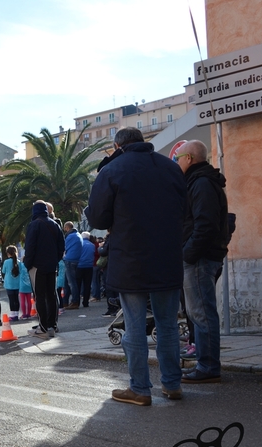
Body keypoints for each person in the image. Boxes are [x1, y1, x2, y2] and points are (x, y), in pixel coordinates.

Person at [86, 127, 186, 406]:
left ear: (118, 145)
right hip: (166, 257)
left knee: (134, 324)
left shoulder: (113, 170)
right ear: (143, 142)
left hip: (131, 258)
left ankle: (140, 388)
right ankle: (172, 384)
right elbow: (184, 209)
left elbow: (98, 218)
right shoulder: (170, 167)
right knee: (167, 324)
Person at [174, 139, 229, 384]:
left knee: (202, 314)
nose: (176, 163)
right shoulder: (201, 181)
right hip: (201, 255)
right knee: (200, 313)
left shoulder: (202, 183)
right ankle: (207, 365)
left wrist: (188, 254)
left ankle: (208, 367)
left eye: (177, 159)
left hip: (199, 258)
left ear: (189, 158)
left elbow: (205, 225)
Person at [23, 200, 65, 338]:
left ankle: (43, 328)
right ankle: (52, 325)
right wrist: (55, 259)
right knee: (52, 295)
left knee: (39, 296)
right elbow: (61, 246)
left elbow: (30, 247)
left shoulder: (34, 224)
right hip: (51, 265)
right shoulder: (55, 224)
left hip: (37, 266)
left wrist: (28, 264)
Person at [62, 221, 82, 309]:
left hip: (69, 260)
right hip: (76, 260)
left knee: (71, 282)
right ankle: (65, 301)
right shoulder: (78, 235)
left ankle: (75, 302)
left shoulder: (70, 236)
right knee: (67, 282)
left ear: (67, 228)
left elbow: (63, 247)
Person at [1, 245, 24, 322]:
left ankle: (12, 315)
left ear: (8, 253)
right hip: (17, 284)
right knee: (16, 299)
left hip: (9, 283)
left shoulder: (6, 262)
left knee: (11, 300)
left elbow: (3, 271)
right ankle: (16, 315)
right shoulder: (19, 262)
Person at [77, 231, 95, 307]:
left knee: (78, 285)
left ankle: (76, 301)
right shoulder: (92, 245)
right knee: (87, 285)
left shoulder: (79, 244)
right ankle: (85, 302)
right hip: (89, 266)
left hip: (79, 266)